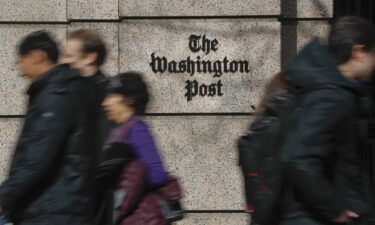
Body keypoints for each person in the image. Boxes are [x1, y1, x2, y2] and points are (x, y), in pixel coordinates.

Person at [279, 16, 375, 225]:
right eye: (373, 54)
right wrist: (335, 210)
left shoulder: (334, 89)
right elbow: (298, 157)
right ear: (358, 52)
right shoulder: (330, 96)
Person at [0, 31, 93, 225]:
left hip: (51, 212)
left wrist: (4, 198)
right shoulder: (55, 91)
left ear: (37, 56)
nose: (20, 66)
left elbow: (36, 158)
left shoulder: (55, 95)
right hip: (51, 209)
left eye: (22, 58)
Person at [99, 72, 181, 225]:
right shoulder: (122, 130)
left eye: (110, 96)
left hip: (140, 218)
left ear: (129, 100)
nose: (105, 103)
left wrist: (126, 195)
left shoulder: (137, 129)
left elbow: (158, 173)